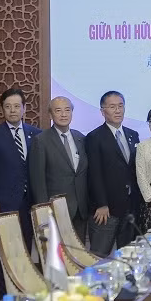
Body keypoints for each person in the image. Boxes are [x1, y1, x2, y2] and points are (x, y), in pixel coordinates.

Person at [0, 87, 41, 301]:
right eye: (8, 107)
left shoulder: (36, 134)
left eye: (17, 106)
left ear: (24, 108)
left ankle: (22, 292)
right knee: (4, 252)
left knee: (25, 250)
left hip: (29, 203)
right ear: (2, 110)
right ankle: (4, 298)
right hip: (3, 204)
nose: (12, 110)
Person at [86, 90, 142, 257]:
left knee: (128, 256)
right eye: (112, 107)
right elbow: (94, 174)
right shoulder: (94, 137)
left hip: (130, 207)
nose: (117, 110)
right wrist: (102, 204)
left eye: (120, 106)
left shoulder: (133, 135)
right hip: (107, 209)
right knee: (99, 256)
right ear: (103, 111)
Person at [28, 96, 90, 242]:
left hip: (80, 210)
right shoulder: (41, 140)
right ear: (50, 115)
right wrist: (44, 211)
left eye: (67, 110)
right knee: (58, 258)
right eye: (58, 110)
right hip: (55, 210)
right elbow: (38, 180)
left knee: (79, 257)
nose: (63, 114)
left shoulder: (80, 138)